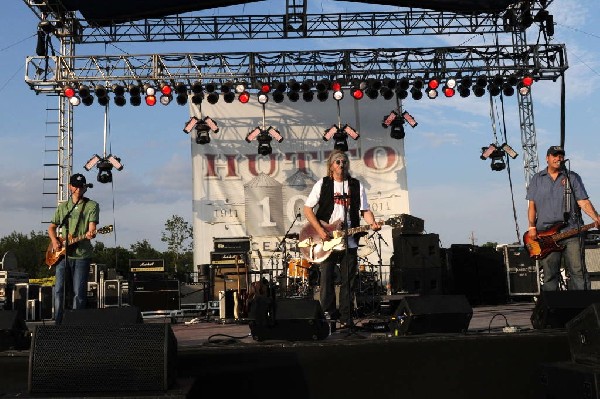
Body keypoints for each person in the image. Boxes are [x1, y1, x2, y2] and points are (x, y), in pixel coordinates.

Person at [303, 150, 381, 328]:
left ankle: (346, 318)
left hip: (349, 239)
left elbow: (365, 210)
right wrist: (320, 230)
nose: (341, 164)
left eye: (344, 161)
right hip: (327, 239)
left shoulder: (355, 185)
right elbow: (308, 209)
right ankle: (328, 316)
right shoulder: (323, 184)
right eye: (337, 162)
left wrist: (373, 223)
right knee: (326, 279)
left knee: (348, 281)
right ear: (331, 166)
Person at [526, 145, 600, 291]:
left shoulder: (572, 177)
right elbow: (532, 205)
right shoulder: (537, 178)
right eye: (554, 155)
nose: (558, 158)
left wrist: (596, 217)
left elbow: (583, 202)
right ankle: (552, 310)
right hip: (545, 234)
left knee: (578, 272)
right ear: (547, 158)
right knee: (549, 275)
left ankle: (583, 308)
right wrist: (531, 226)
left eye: (560, 155)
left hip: (571, 231)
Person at [48, 173, 100, 324]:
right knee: (59, 290)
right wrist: (54, 241)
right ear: (70, 187)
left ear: (85, 187)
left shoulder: (91, 205)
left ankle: (76, 325)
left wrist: (91, 233)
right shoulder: (63, 207)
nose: (78, 189)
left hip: (81, 254)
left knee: (79, 292)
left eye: (81, 186)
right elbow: (51, 228)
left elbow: (92, 228)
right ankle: (58, 323)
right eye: (76, 186)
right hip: (62, 255)